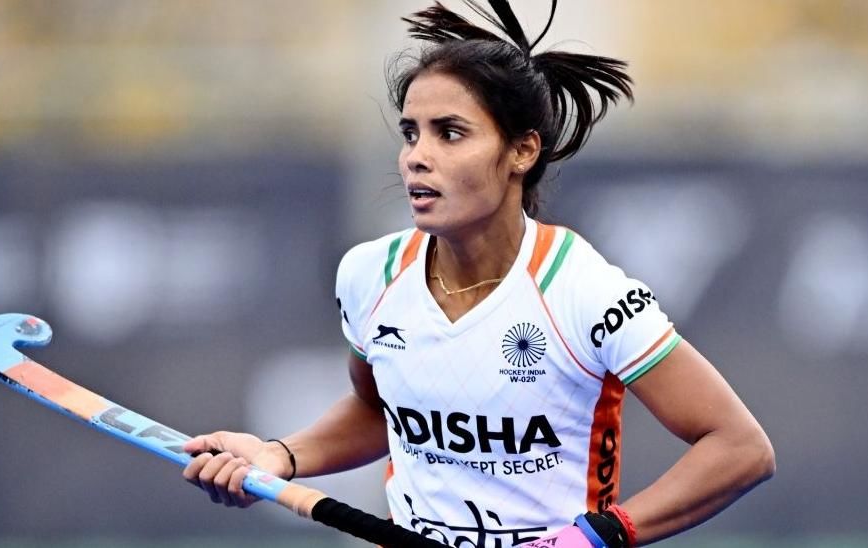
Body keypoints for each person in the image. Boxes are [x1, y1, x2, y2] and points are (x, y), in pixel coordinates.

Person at [182, 1, 774, 546]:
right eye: (410, 133)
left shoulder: (584, 291)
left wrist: (590, 538)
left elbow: (740, 448)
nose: (417, 156)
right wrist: (280, 455)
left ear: (522, 151)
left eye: (450, 133)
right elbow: (381, 411)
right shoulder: (369, 275)